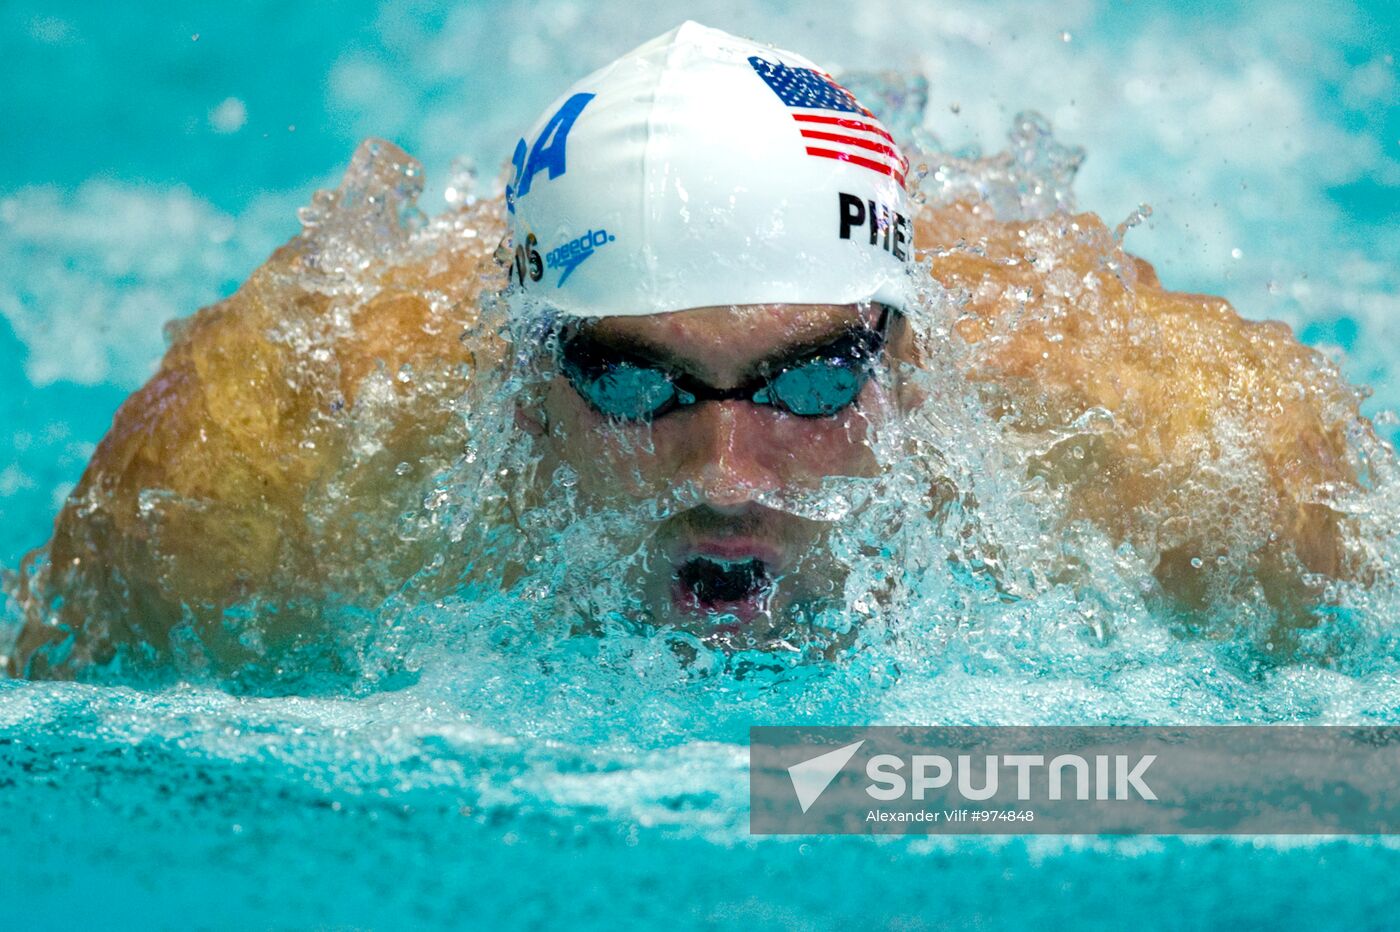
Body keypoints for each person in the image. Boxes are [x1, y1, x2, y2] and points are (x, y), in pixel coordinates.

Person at [3, 22, 1377, 680]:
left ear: (912, 357)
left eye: (817, 380)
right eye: (634, 379)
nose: (730, 470)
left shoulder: (1208, 469)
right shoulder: (250, 496)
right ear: (519, 375)